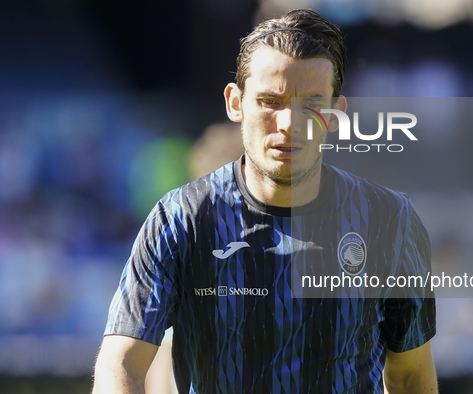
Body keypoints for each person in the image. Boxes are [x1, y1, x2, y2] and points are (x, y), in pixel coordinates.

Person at [92, 9, 437, 393]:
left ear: (336, 115)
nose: (289, 124)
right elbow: (121, 364)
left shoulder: (390, 220)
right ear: (235, 103)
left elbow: (409, 375)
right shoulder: (180, 219)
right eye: (270, 102)